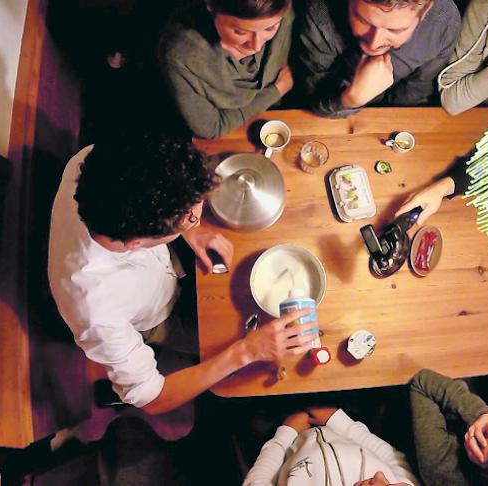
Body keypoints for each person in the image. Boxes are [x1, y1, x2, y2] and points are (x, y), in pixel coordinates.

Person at [48, 134, 317, 414]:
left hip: (165, 265)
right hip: (158, 315)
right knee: (222, 337)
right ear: (136, 243)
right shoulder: (96, 311)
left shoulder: (94, 162)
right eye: (189, 216)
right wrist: (247, 351)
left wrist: (189, 229)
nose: (197, 217)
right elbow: (154, 398)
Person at [294, 0, 460, 118]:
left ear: (425, 11)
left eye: (395, 30)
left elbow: (417, 89)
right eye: (362, 20)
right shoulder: (320, 12)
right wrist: (351, 99)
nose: (374, 43)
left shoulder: (444, 23)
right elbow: (312, 98)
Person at [158, 0, 295, 139]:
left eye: (269, 28)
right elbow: (211, 127)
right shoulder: (180, 54)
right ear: (210, 6)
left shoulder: (282, 10)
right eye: (240, 32)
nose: (256, 46)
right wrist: (276, 91)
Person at [243, 406, 419, 485]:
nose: (380, 476)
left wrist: (286, 432)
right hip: (341, 425)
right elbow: (393, 459)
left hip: (285, 437)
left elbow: (258, 481)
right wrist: (338, 420)